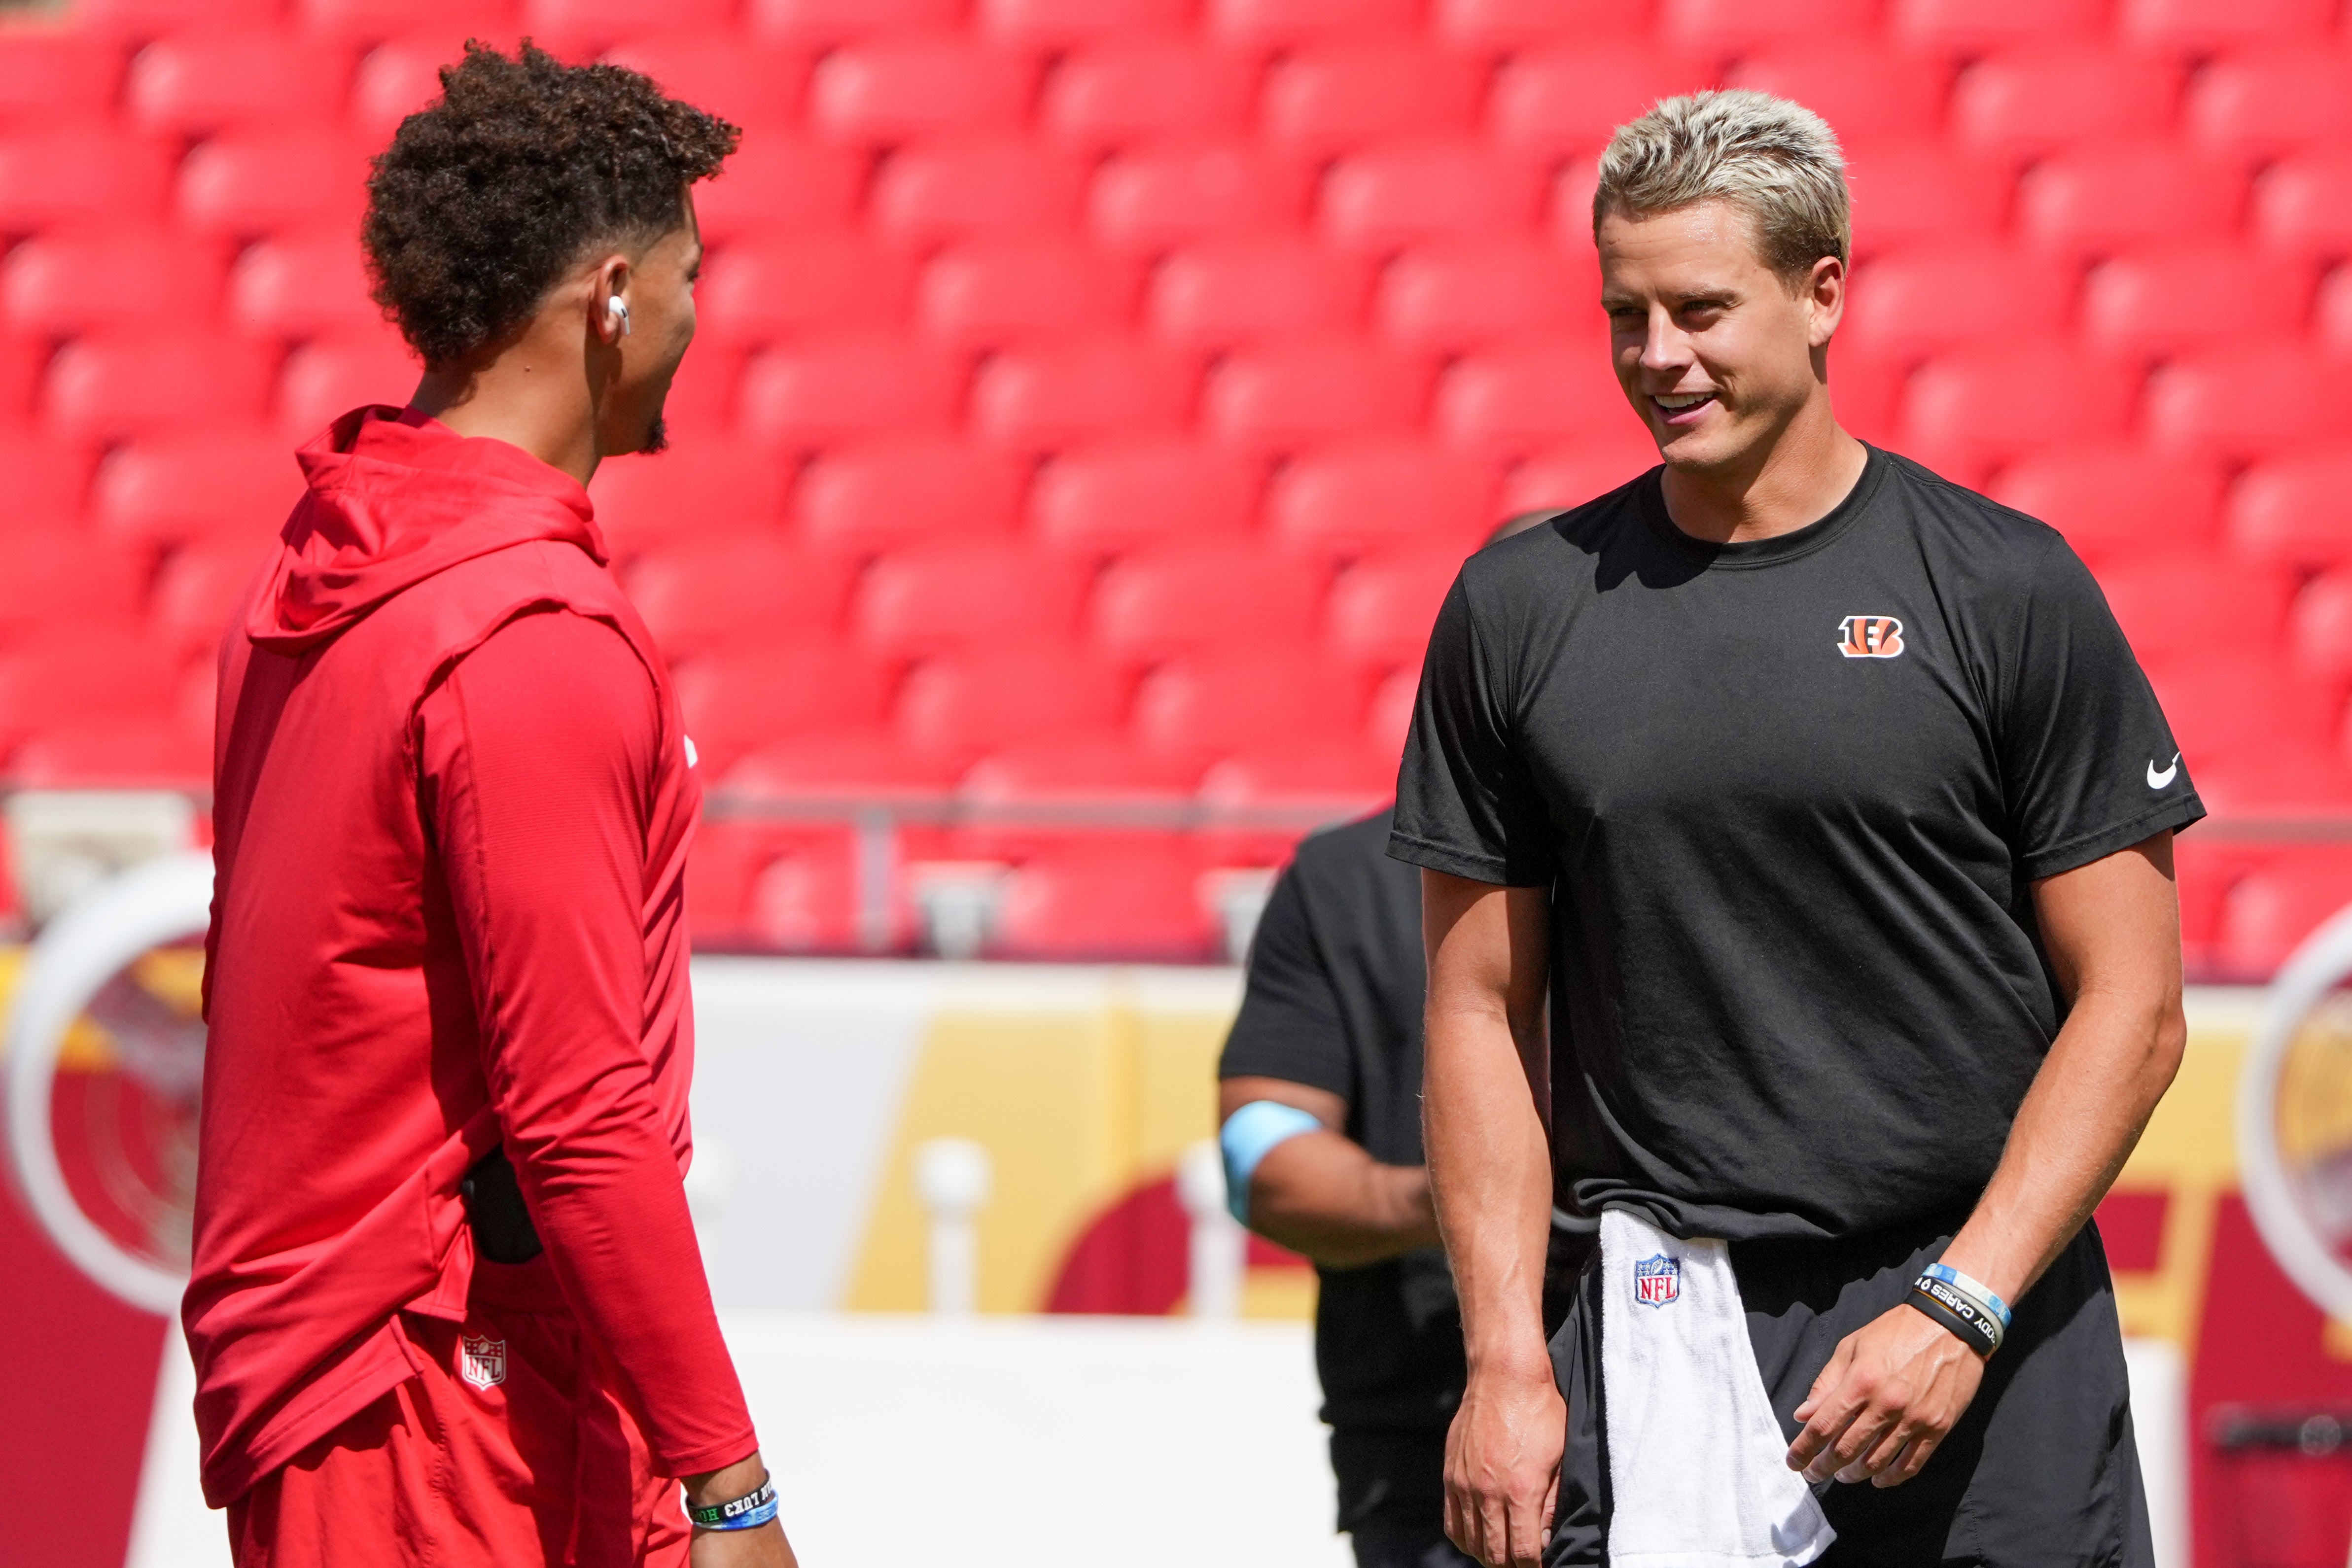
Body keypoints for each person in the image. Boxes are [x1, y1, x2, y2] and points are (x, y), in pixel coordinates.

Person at [1392, 90, 2197, 1568]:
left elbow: (2134, 1004)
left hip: (1981, 1321)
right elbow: (1476, 1006)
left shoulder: (2006, 588)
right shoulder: (1516, 611)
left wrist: (1964, 1302)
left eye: (1699, 308)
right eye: (1622, 313)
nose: (1657, 357)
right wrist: (1504, 1355)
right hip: (1656, 1323)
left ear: (1823, 290)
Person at [187, 44, 795, 1568]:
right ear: (609, 294)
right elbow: (580, 1107)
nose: (692, 320)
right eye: (685, 276)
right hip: (447, 1390)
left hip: (355, 1387)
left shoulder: (308, 571)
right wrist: (733, 1487)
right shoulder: (523, 634)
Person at [1220, 517, 1574, 1568]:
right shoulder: (1341, 880)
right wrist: (1463, 1193)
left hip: (1716, 1421)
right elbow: (1261, 1159)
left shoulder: (1739, 852)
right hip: (1436, 1458)